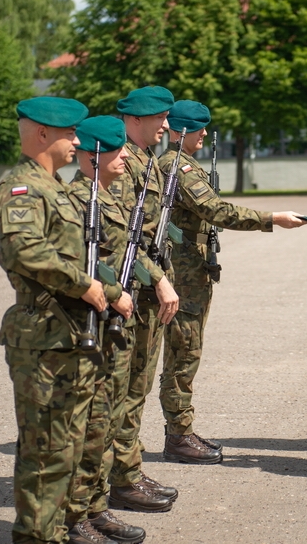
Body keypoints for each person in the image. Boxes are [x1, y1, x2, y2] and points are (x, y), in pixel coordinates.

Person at [0, 96, 111, 544]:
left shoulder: (56, 186)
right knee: (45, 452)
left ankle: (55, 530)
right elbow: (24, 250)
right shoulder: (21, 188)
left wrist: (109, 292)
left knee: (67, 448)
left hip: (70, 334)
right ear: (43, 134)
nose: (78, 142)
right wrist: (84, 285)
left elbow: (80, 253)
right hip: (42, 337)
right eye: (71, 134)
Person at [159, 100, 306, 463]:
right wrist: (272, 218)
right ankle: (178, 436)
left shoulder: (182, 164)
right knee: (183, 352)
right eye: (198, 128)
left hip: (192, 273)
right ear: (178, 130)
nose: (205, 133)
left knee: (186, 352)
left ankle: (181, 431)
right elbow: (216, 211)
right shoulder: (177, 166)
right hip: (184, 276)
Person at [66, 115, 154, 544]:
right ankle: (79, 515)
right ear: (93, 155)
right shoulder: (78, 198)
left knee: (110, 417)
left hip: (117, 324)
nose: (125, 158)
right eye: (116, 152)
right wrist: (116, 291)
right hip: (93, 324)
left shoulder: (109, 195)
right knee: (92, 424)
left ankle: (98, 507)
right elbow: (83, 261)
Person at [107, 86, 181, 513]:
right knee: (125, 389)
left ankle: (128, 471)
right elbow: (121, 241)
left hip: (149, 292)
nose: (166, 126)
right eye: (160, 119)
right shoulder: (122, 163)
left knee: (138, 386)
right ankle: (121, 478)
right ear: (135, 120)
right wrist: (158, 279)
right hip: (131, 293)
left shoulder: (149, 161)